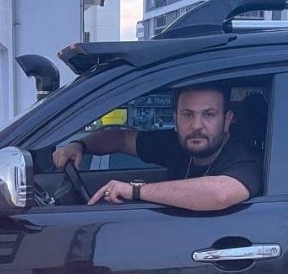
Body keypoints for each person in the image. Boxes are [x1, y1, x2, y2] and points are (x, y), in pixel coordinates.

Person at [52, 84, 263, 212]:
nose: (196, 125)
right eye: (187, 114)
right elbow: (119, 139)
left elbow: (220, 194)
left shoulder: (245, 158)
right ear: (175, 119)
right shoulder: (178, 144)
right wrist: (80, 145)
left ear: (227, 120)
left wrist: (134, 190)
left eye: (209, 115)